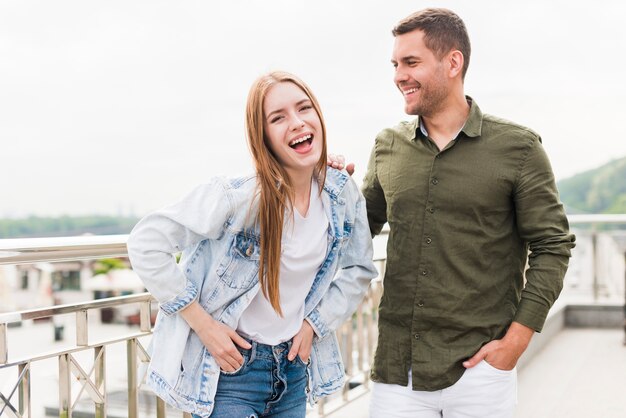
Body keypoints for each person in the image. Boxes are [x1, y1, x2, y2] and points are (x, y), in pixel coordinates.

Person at [345, 8, 575, 418]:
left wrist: (516, 341)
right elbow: (355, 234)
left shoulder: (519, 149)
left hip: (481, 371)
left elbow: (553, 245)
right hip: (398, 373)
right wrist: (325, 187)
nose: (399, 75)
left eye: (411, 62)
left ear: (453, 62)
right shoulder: (387, 145)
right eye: (396, 64)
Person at [127, 71, 377, 418]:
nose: (296, 122)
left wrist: (314, 324)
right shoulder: (240, 197)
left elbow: (359, 268)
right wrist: (203, 325)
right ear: (264, 138)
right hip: (232, 373)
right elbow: (145, 242)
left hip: (291, 368)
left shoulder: (340, 193)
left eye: (304, 108)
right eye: (278, 118)